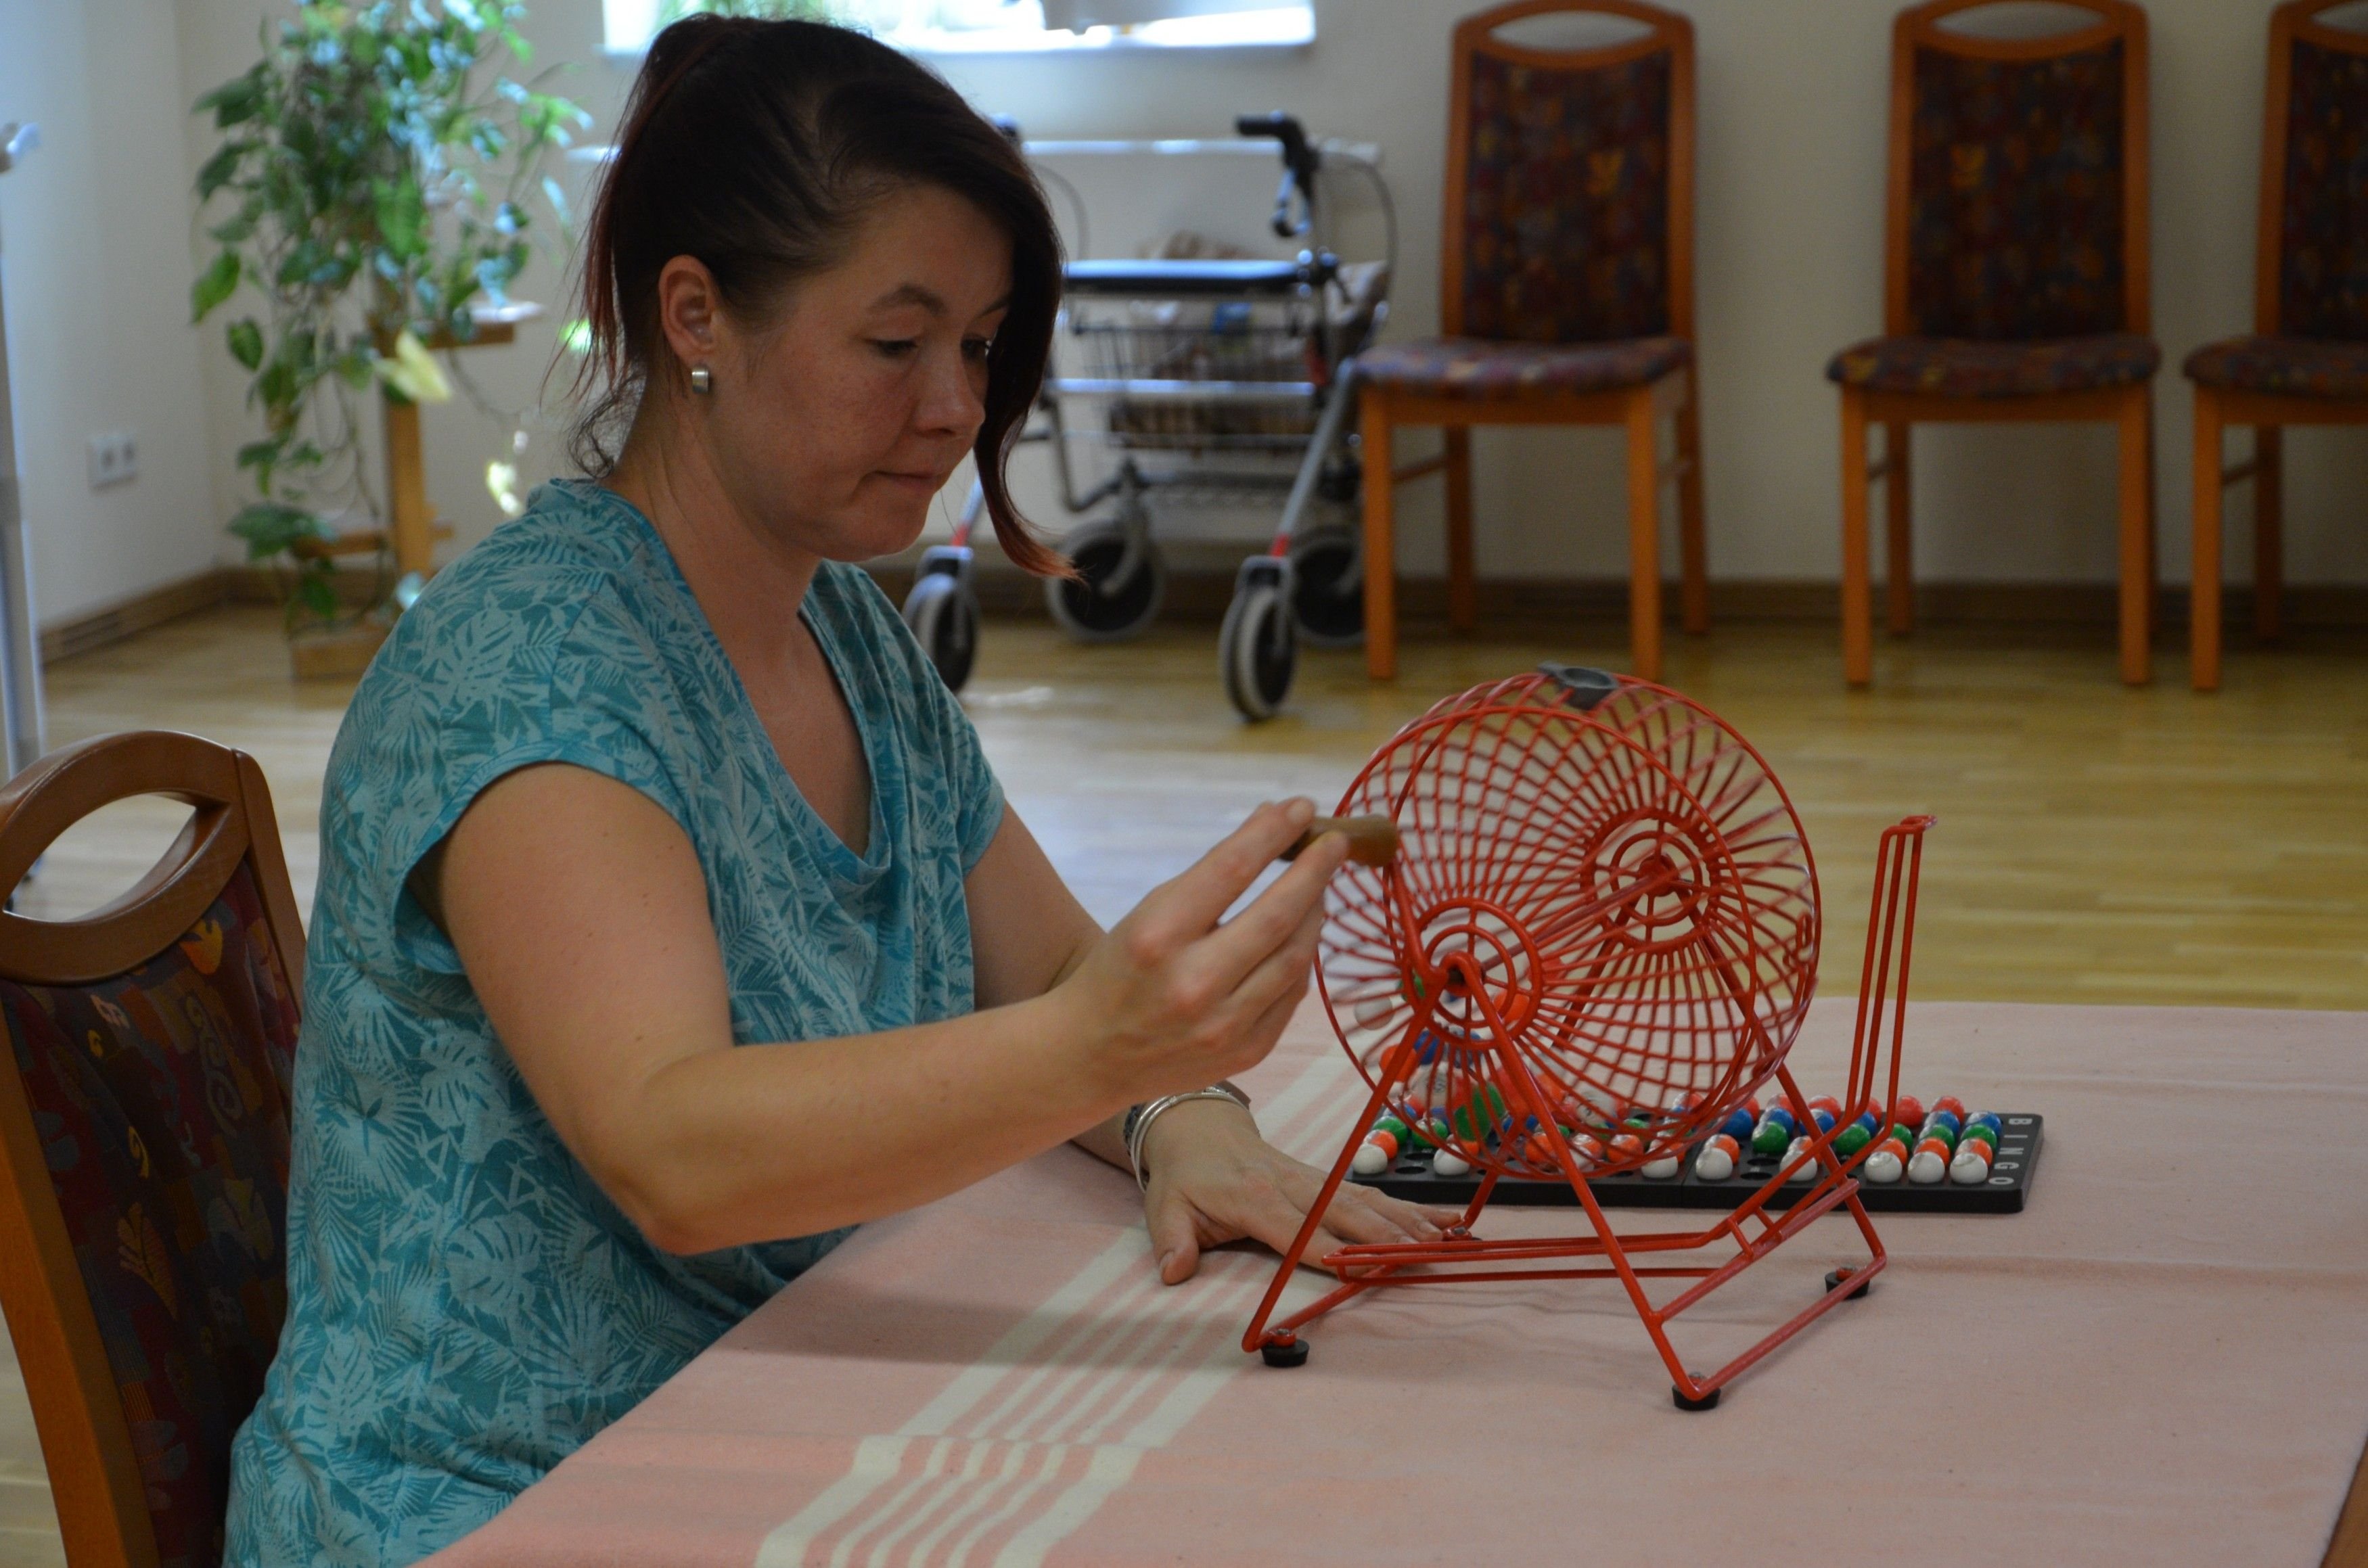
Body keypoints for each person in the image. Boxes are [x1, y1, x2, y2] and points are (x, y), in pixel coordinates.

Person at [223, 17, 1444, 1565]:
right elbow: (673, 1149)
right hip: (486, 1504)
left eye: (981, 346)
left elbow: (1058, 966)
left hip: (749, 1423)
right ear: (696, 317)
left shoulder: (843, 628)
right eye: (896, 344)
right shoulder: (529, 674)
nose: (953, 408)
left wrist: (1175, 1109)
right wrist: (1090, 1053)